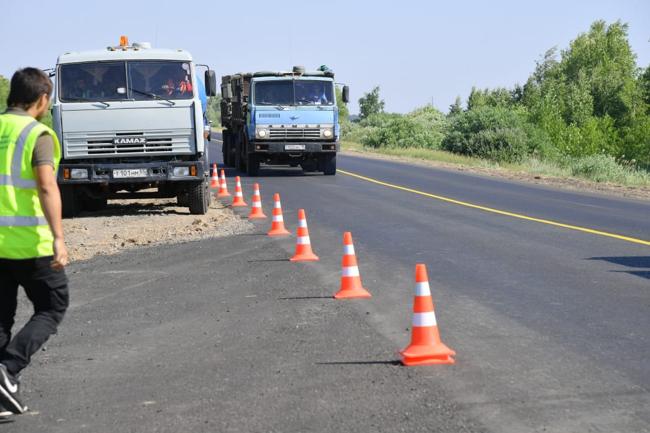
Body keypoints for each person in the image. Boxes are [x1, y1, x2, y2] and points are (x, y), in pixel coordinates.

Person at [0, 68, 70, 415]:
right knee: (52, 306)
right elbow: (46, 187)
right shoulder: (37, 133)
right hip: (30, 245)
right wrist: (59, 238)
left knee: (1, 318)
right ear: (42, 99)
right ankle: (8, 369)